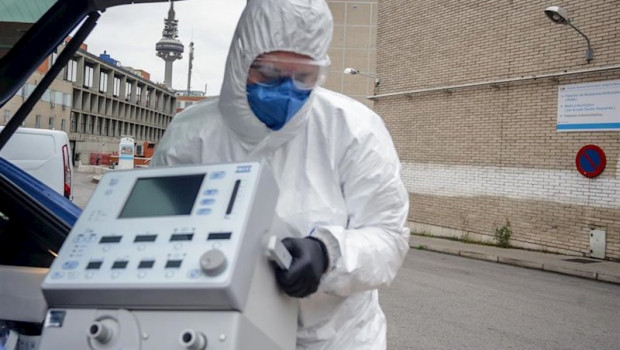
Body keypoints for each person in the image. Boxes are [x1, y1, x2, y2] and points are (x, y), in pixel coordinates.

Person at [151, 0, 410, 348]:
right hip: (219, 331)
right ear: (241, 60)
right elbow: (155, 230)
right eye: (270, 74)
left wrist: (328, 254)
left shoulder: (354, 130)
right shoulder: (192, 135)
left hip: (336, 340)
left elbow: (388, 238)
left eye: (303, 77)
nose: (286, 91)